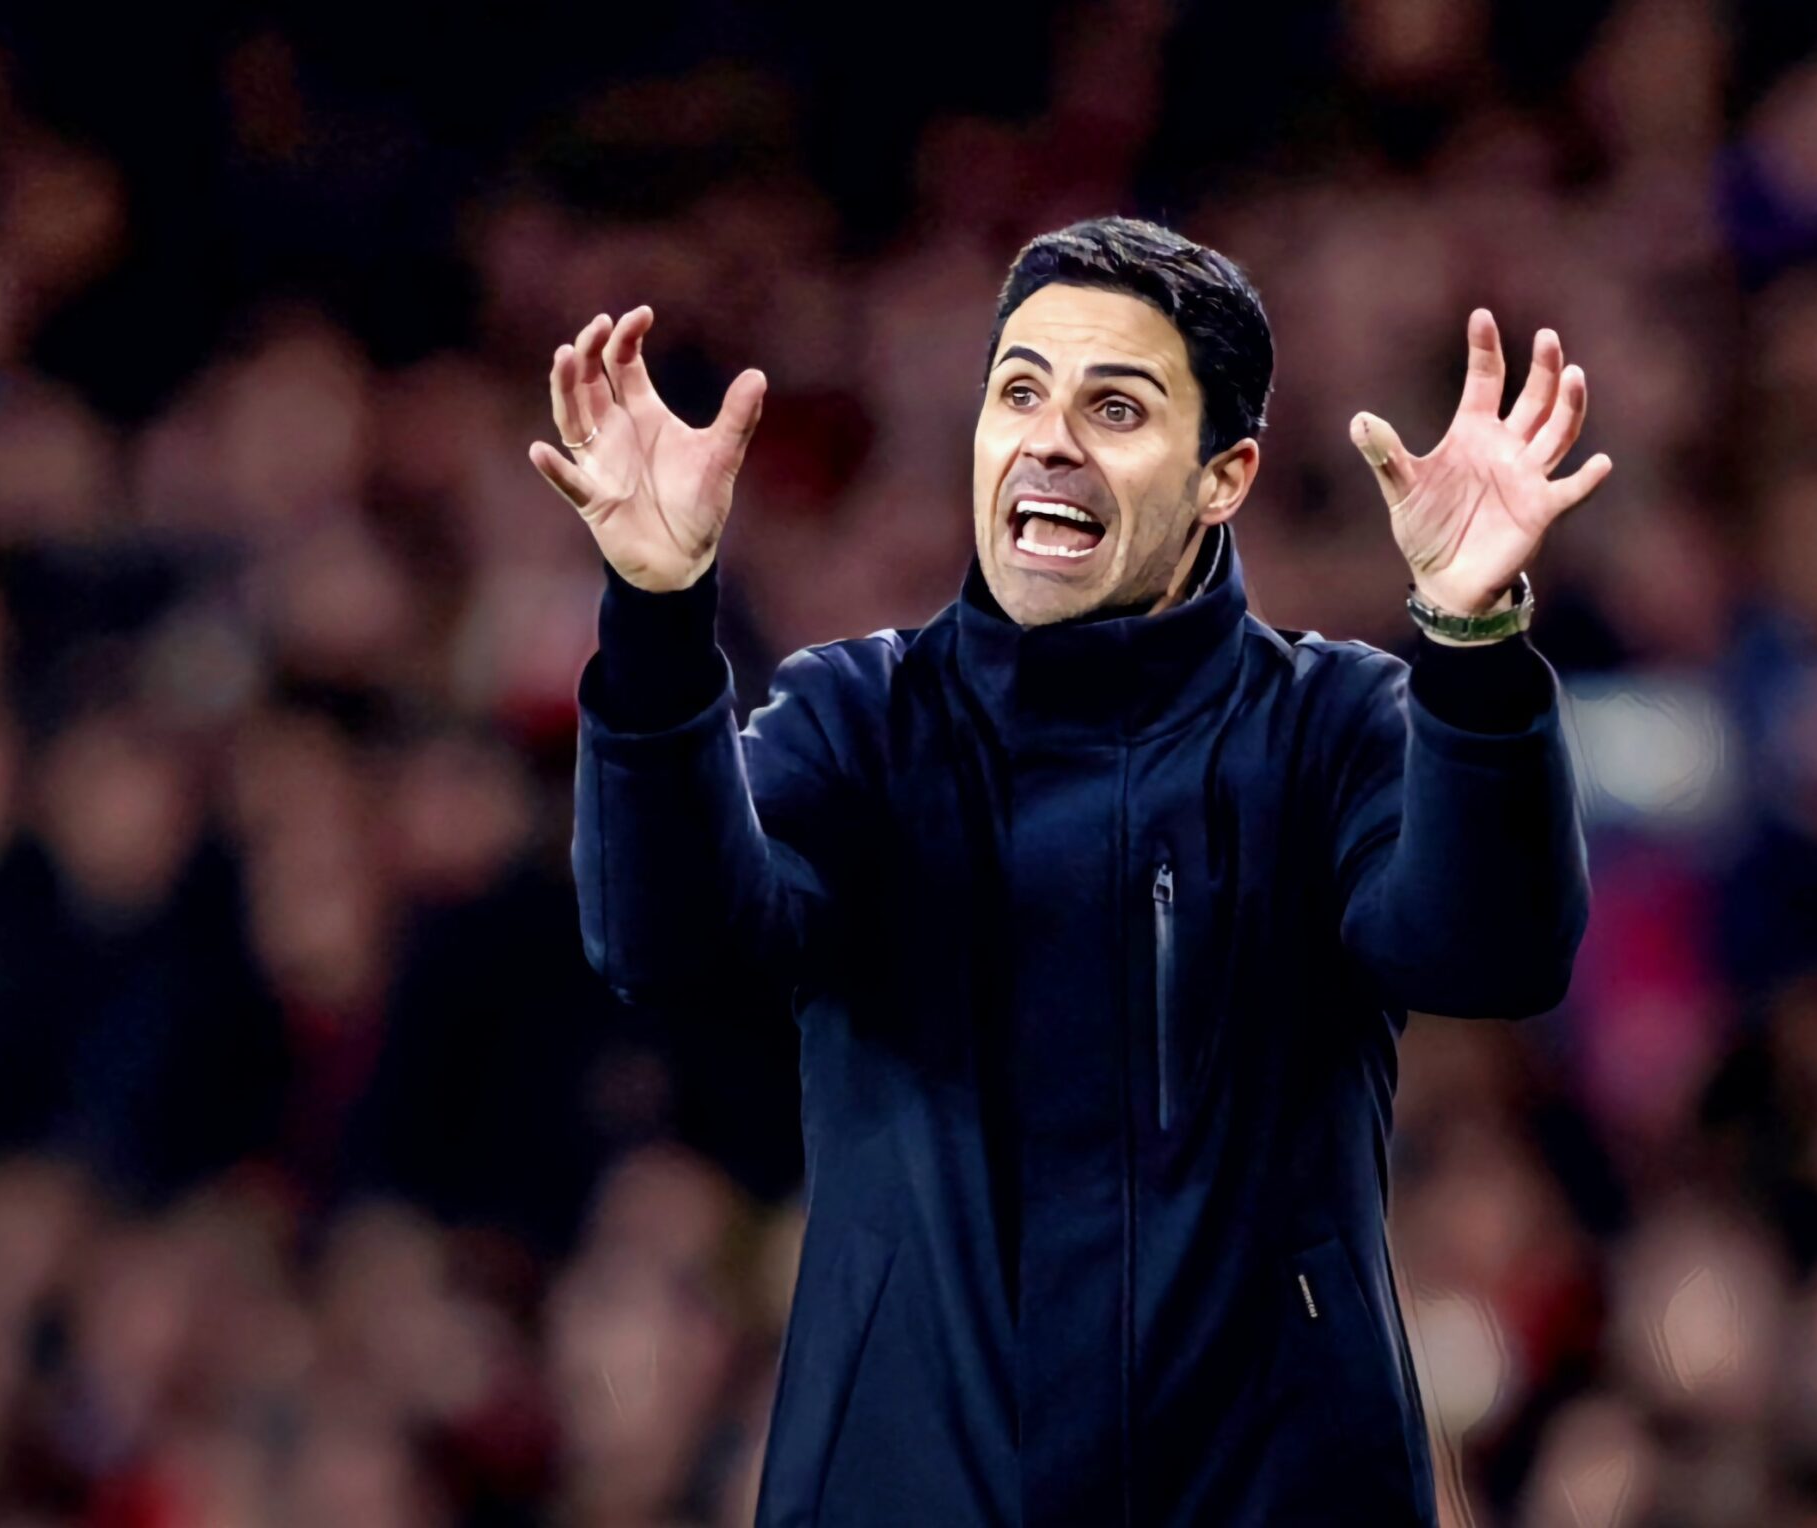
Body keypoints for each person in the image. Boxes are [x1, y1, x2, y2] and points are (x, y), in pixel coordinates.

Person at [531, 216, 1606, 1528]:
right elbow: (668, 947)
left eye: (1116, 406)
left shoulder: (1331, 729)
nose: (1049, 438)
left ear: (1226, 475)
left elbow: (1490, 954)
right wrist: (653, 620)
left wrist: (1478, 648)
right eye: (1020, 392)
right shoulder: (858, 723)